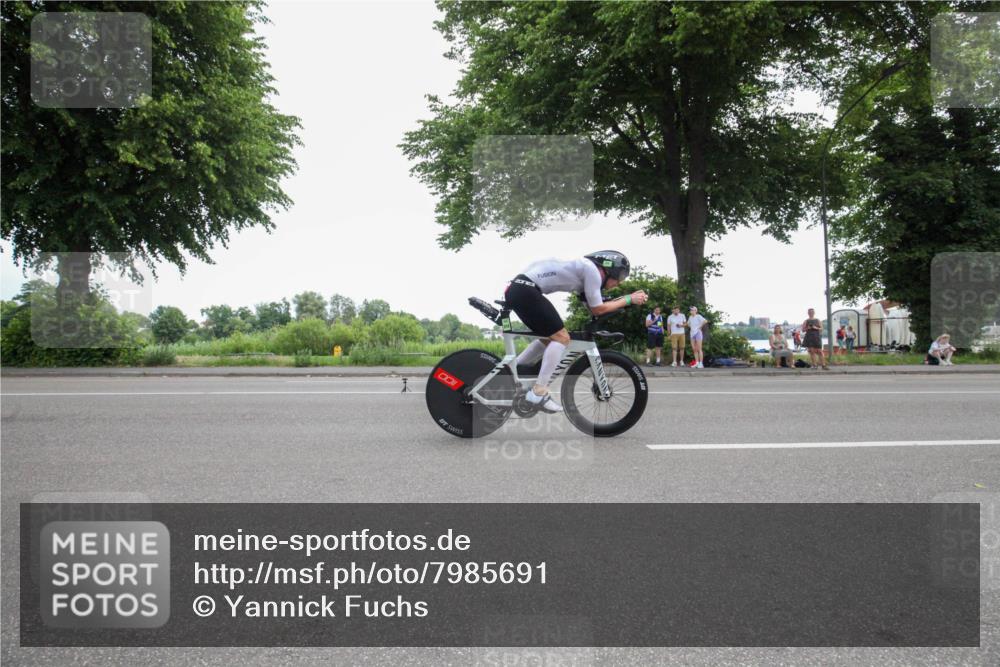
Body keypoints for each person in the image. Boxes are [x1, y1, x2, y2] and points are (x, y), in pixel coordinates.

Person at [505, 250, 647, 413]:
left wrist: (625, 302)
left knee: (551, 338)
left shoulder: (585, 270)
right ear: (610, 269)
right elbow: (598, 309)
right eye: (620, 277)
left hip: (520, 288)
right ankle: (538, 392)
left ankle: (509, 373)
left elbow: (596, 306)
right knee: (561, 338)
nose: (619, 283)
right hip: (526, 290)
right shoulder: (593, 271)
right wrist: (629, 299)